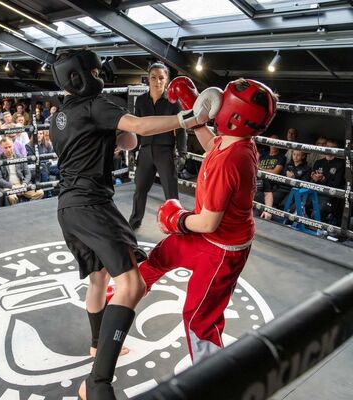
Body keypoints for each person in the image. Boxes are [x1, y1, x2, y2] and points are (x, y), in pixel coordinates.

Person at [48, 49, 219, 400]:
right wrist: (189, 117)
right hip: (93, 204)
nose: (102, 76)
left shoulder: (58, 117)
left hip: (67, 207)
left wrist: (117, 131)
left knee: (99, 279)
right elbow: (138, 129)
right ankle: (95, 383)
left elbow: (127, 140)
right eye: (96, 71)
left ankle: (98, 344)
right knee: (131, 285)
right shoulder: (95, 105)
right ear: (83, 76)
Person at [137, 77, 277, 364]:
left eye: (224, 103)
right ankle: (122, 296)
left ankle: (211, 379)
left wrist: (176, 219)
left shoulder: (230, 162)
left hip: (222, 249)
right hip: (208, 238)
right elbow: (212, 143)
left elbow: (207, 223)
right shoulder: (239, 142)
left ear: (234, 116)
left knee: (199, 317)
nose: (218, 105)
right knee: (161, 254)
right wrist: (195, 113)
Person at [128, 62, 188, 230]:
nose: (157, 81)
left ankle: (176, 224)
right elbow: (135, 128)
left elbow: (181, 129)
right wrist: (133, 151)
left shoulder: (174, 102)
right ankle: (134, 221)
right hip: (145, 151)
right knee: (139, 190)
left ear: (167, 79)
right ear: (148, 79)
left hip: (165, 151)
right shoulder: (140, 101)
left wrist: (182, 153)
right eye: (153, 77)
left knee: (171, 193)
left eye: (161, 78)